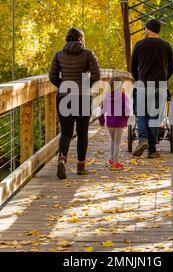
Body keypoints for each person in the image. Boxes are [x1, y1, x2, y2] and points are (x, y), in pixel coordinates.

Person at [49, 28, 100, 179]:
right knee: (82, 133)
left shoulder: (59, 55)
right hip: (83, 96)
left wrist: (63, 85)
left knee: (66, 133)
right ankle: (81, 167)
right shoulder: (87, 53)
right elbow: (96, 74)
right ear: (81, 39)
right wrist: (85, 86)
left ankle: (62, 159)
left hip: (64, 96)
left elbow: (52, 76)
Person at [131, 19, 173, 159]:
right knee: (155, 117)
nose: (144, 31)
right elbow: (172, 66)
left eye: (144, 29)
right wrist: (163, 78)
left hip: (143, 85)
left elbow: (132, 67)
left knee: (142, 113)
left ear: (149, 29)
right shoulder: (166, 45)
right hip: (159, 86)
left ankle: (142, 139)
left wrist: (139, 79)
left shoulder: (139, 45)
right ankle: (152, 150)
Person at [99, 76, 131, 171]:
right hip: (119, 123)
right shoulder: (122, 96)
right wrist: (125, 118)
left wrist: (101, 121)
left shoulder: (106, 96)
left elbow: (102, 110)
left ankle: (112, 159)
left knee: (113, 141)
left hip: (110, 123)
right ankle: (116, 163)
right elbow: (127, 110)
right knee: (117, 143)